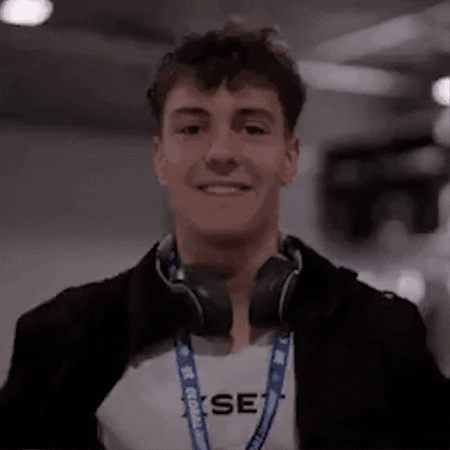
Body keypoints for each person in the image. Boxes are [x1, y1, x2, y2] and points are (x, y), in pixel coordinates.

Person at [0, 20, 449, 450]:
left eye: (252, 128)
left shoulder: (382, 333)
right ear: (160, 157)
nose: (220, 153)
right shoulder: (62, 339)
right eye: (192, 128)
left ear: (290, 157)